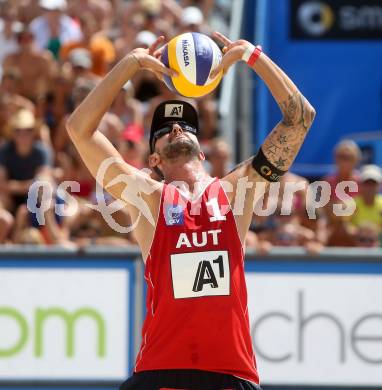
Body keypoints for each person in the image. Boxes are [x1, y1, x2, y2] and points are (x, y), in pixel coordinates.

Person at [66, 32, 315, 390]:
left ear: (202, 151)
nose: (177, 128)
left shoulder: (234, 192)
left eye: (185, 125)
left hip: (229, 374)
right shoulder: (148, 197)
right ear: (153, 158)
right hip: (160, 372)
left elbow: (301, 118)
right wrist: (130, 64)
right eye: (164, 130)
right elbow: (79, 129)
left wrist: (252, 55)